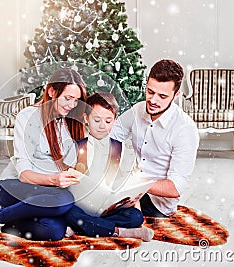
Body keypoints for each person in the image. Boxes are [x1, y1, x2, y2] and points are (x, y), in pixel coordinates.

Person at [0, 67, 87, 241]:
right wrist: (55, 180)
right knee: (63, 198)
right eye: (68, 98)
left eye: (76, 100)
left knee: (53, 231)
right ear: (52, 91)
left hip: (46, 194)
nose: (72, 105)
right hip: (15, 186)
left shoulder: (69, 122)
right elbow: (25, 175)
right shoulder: (27, 117)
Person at [110, 59, 199, 217]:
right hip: (131, 189)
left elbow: (175, 188)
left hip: (157, 203)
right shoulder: (138, 110)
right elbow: (112, 136)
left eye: (162, 96)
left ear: (176, 95)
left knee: (100, 209)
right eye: (150, 92)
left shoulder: (185, 129)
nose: (153, 100)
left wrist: (135, 182)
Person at [64, 92, 154, 241]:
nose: (102, 126)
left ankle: (86, 227)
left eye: (108, 121)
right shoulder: (75, 148)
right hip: (82, 207)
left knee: (135, 217)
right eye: (97, 120)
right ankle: (122, 232)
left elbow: (126, 181)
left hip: (109, 209)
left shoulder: (122, 149)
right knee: (68, 212)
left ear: (115, 121)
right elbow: (67, 183)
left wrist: (130, 201)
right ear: (86, 119)